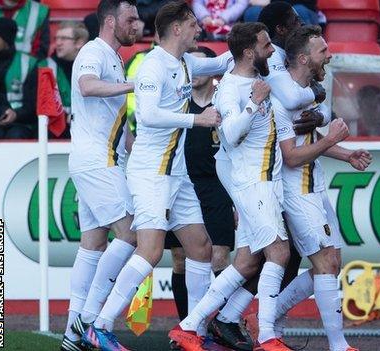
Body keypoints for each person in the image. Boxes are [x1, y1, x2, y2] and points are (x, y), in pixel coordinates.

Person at [81, 2, 231, 350]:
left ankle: (193, 332)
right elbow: (147, 115)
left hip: (176, 175)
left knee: (200, 247)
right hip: (151, 174)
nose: (200, 29)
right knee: (149, 252)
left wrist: (258, 49)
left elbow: (224, 61)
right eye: (193, 24)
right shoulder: (152, 66)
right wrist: (199, 119)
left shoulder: (186, 62)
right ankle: (98, 326)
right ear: (177, 28)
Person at [171, 22, 294, 351]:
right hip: (253, 182)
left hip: (264, 180)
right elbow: (230, 134)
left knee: (247, 262)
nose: (273, 51)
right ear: (251, 52)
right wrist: (253, 103)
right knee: (279, 252)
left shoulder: (257, 79)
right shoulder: (230, 89)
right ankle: (268, 337)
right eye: (267, 45)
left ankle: (189, 326)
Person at [274, 24, 371, 351]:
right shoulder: (283, 97)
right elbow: (290, 157)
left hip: (313, 185)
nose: (329, 57)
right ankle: (338, 344)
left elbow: (310, 142)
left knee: (331, 263)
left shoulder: (302, 92)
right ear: (303, 58)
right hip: (296, 191)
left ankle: (266, 317)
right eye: (323, 52)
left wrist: (345, 154)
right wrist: (331, 139)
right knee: (325, 263)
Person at [60, 1, 140, 350]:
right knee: (130, 232)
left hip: (99, 158)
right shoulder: (94, 51)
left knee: (93, 245)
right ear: (110, 22)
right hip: (96, 160)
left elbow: (114, 117)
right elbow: (87, 85)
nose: (137, 25)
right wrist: (135, 86)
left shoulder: (114, 56)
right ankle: (91, 319)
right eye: (131, 19)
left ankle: (71, 334)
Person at [0, 17, 38, 139]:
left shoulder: (29, 63)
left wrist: (16, 115)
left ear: (6, 39)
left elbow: (34, 103)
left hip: (22, 123)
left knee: (16, 135)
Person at [44, 21, 90, 139]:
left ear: (79, 43)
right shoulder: (45, 67)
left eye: (64, 38)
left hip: (87, 130)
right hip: (54, 131)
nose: (58, 43)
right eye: (57, 38)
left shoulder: (93, 67)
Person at [243, 0, 319, 26]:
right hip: (273, 8)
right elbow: (255, 1)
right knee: (252, 12)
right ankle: (256, 49)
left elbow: (307, 2)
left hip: (304, 10)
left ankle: (307, 47)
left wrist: (270, 2)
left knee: (298, 10)